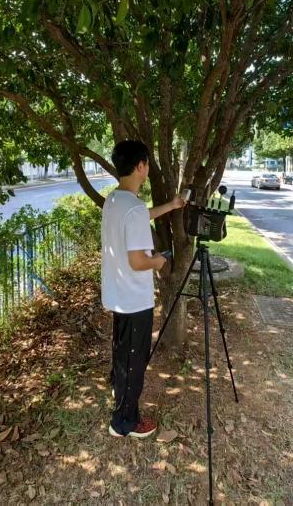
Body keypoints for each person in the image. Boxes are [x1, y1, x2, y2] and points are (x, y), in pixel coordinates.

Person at [102, 140, 186, 438]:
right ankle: (124, 423)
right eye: (147, 163)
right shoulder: (133, 208)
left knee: (122, 352)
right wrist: (159, 261)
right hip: (135, 300)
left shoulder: (115, 200)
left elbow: (139, 217)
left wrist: (171, 206)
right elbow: (138, 261)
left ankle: (118, 390)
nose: (148, 168)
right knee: (134, 361)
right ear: (140, 166)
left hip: (118, 295)